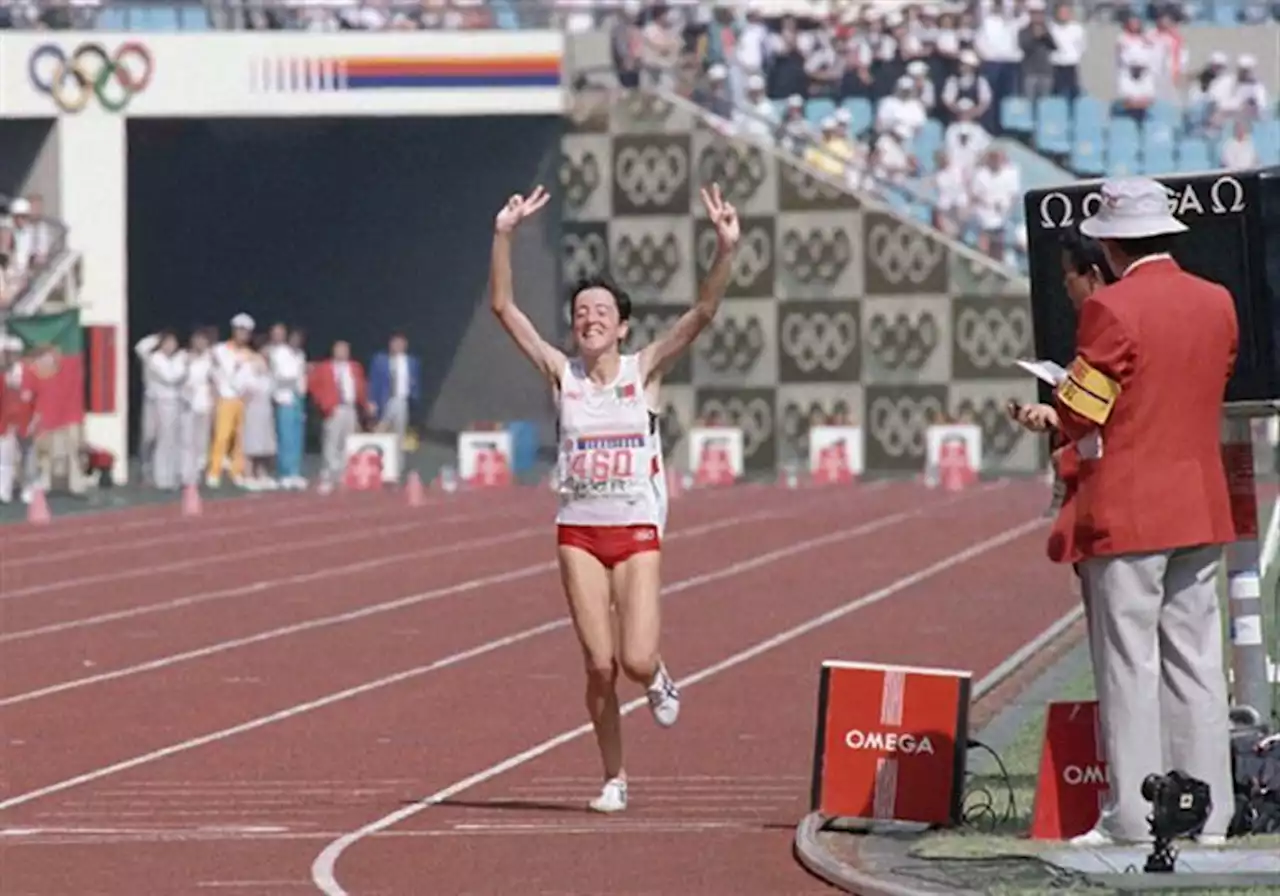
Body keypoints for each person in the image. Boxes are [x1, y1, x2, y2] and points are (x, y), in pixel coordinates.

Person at [489, 182, 739, 814]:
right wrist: (503, 235)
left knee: (633, 659)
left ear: (622, 326)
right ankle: (615, 777)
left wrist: (725, 248)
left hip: (636, 530)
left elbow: (702, 315)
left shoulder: (644, 370)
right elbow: (503, 310)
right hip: (577, 529)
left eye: (602, 310)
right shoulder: (560, 374)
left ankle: (657, 675)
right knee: (598, 666)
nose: (590, 317)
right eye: (581, 311)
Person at [1012, 178, 1237, 846]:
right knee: (1198, 661)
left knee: (1128, 664)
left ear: (1110, 243)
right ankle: (1210, 814)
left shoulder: (1111, 309)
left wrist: (1054, 407)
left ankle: (1136, 817)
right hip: (1200, 502)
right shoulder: (1218, 302)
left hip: (1131, 509)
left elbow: (1086, 406)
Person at [308, 340, 368, 494]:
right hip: (334, 409)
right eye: (339, 349)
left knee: (347, 442)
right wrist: (324, 403)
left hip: (350, 408)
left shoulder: (354, 367)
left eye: (345, 350)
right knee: (331, 442)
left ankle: (342, 474)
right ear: (334, 351)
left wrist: (366, 404)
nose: (343, 352)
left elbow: (361, 387)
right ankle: (328, 476)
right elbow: (313, 386)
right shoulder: (325, 367)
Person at [207, 314, 255, 487]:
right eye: (240, 330)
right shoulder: (220, 350)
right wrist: (215, 394)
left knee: (240, 438)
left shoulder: (249, 355)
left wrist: (247, 396)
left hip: (241, 399)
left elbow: (250, 379)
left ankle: (236, 471)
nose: (243, 335)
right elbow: (213, 374)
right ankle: (214, 471)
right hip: (225, 397)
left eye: (246, 332)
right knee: (222, 435)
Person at [138, 330, 186, 490]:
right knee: (151, 437)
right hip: (155, 402)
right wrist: (157, 337)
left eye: (173, 343)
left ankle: (169, 476)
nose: (171, 346)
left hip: (172, 403)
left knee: (170, 440)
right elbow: (170, 377)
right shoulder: (155, 358)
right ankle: (153, 473)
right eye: (167, 342)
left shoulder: (178, 359)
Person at [268, 323, 308, 489]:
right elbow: (281, 375)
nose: (296, 341)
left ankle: (295, 472)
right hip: (284, 398)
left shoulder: (300, 355)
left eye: (299, 339)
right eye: (293, 338)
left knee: (297, 436)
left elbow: (301, 377)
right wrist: (296, 378)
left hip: (298, 398)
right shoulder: (278, 353)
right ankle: (284, 473)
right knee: (286, 437)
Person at [368, 332, 420, 447]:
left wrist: (413, 395)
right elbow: (374, 381)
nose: (398, 346)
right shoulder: (380, 360)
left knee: (399, 434)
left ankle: (398, 462)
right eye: (396, 343)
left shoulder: (411, 362)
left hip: (402, 400)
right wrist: (371, 400)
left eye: (401, 343)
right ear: (390, 344)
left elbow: (415, 380)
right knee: (380, 431)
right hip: (385, 399)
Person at [180, 328, 215, 488]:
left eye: (203, 340)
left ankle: (200, 471)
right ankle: (186, 473)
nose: (200, 343)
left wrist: (214, 404)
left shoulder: (210, 359)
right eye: (197, 340)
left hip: (204, 403)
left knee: (202, 440)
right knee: (187, 439)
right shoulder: (184, 357)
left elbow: (213, 382)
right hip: (187, 403)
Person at [240, 343, 278, 490]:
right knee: (251, 444)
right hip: (252, 411)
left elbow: (272, 391)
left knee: (264, 445)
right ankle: (248, 475)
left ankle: (262, 474)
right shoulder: (248, 370)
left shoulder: (269, 375)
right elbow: (243, 390)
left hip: (265, 411)